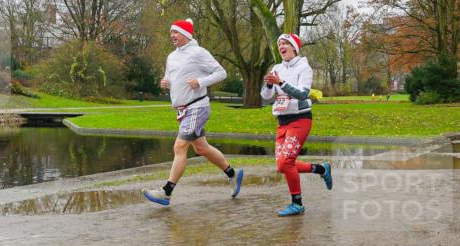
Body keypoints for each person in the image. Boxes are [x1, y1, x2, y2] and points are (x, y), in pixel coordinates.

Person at [142, 18, 243, 206]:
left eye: (176, 32)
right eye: (171, 32)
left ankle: (166, 192)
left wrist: (200, 82)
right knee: (201, 148)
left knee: (180, 147)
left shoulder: (198, 52)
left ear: (186, 34)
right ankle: (233, 173)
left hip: (197, 106)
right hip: (183, 110)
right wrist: (166, 83)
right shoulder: (171, 57)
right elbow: (172, 79)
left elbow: (221, 72)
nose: (172, 35)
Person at [261, 33, 332, 217]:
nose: (281, 46)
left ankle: (297, 204)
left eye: (285, 43)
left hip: (300, 119)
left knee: (287, 162)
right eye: (279, 44)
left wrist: (281, 83)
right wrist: (269, 85)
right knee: (282, 166)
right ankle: (321, 169)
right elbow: (266, 97)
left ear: (294, 47)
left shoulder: (304, 67)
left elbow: (302, 94)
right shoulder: (277, 68)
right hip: (282, 121)